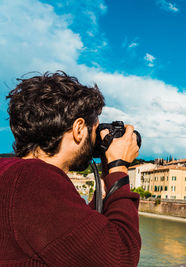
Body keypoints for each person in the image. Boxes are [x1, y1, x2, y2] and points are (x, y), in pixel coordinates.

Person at [0, 72, 141, 266]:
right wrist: (119, 168)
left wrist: (104, 191)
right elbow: (120, 257)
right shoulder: (36, 181)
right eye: (95, 130)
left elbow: (75, 237)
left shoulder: (11, 172)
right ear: (79, 129)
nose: (95, 140)